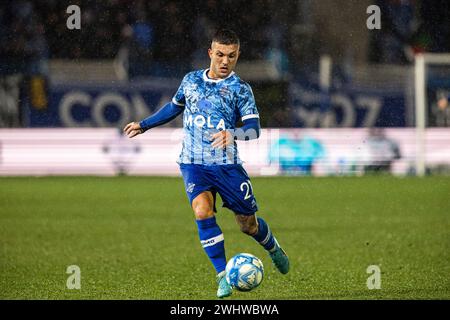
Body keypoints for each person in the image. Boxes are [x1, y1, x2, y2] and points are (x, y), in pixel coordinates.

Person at [123, 29, 289, 298]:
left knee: (247, 225)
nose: (225, 61)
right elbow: (174, 107)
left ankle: (273, 248)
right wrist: (144, 125)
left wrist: (232, 134)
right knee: (202, 211)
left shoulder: (240, 90)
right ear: (211, 53)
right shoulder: (190, 81)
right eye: (221, 55)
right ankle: (222, 276)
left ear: (237, 56)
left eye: (231, 56)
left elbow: (254, 130)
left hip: (227, 166)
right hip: (193, 163)